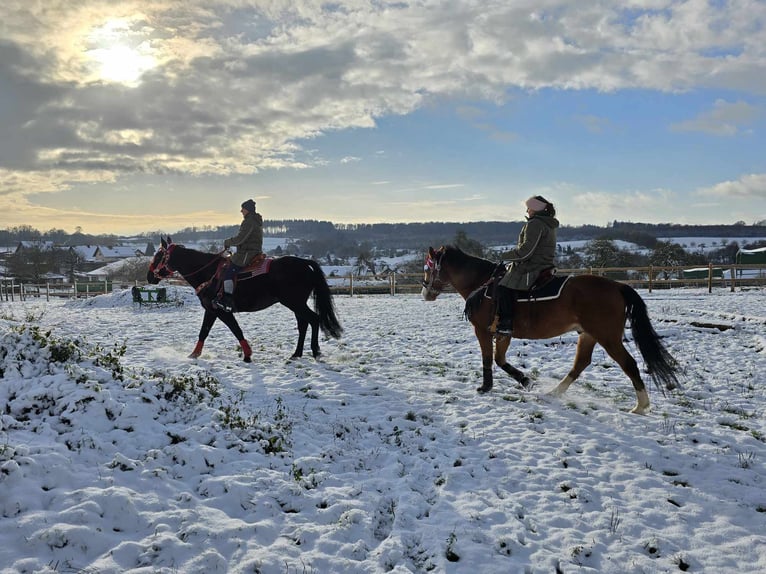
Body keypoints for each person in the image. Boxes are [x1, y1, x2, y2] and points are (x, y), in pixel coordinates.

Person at [495, 195, 560, 336]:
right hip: (545, 264)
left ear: (536, 208)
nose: (527, 210)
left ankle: (505, 324)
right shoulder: (548, 223)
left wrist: (502, 256)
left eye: (529, 207)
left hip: (532, 266)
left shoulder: (535, 224)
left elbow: (526, 252)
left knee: (502, 287)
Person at [214, 199, 264, 312]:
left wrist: (227, 242)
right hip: (250, 251)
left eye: (243, 209)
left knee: (228, 273)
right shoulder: (254, 220)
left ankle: (228, 300)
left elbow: (240, 239)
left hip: (247, 253)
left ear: (248, 210)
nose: (241, 211)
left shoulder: (249, 221)